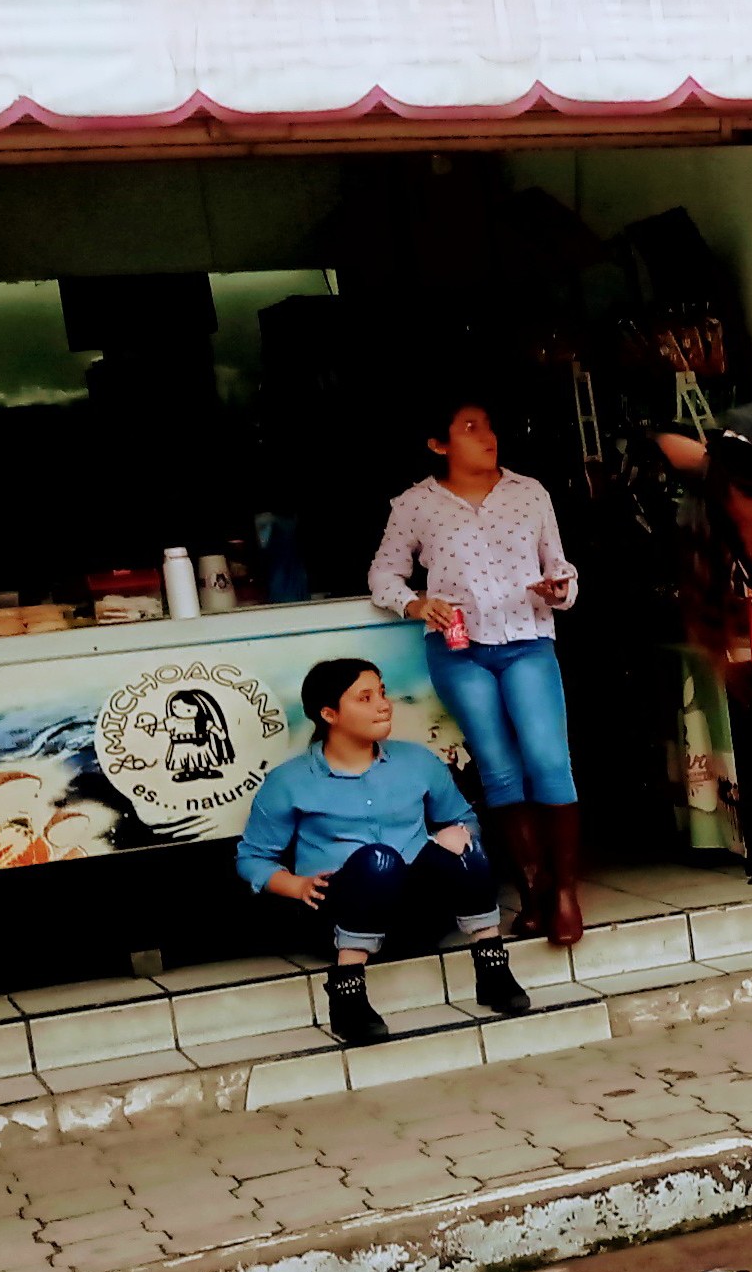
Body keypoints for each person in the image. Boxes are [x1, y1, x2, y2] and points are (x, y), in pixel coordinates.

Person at [369, 392, 588, 946]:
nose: (487, 437)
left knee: (547, 760)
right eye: (470, 428)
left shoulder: (528, 492)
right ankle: (534, 893)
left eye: (489, 426)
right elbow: (384, 576)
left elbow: (560, 568)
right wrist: (416, 604)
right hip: (459, 650)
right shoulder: (415, 505)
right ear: (439, 444)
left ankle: (565, 894)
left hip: (527, 641)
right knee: (498, 770)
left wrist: (559, 589)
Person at [239, 658, 531, 1047]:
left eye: (382, 692)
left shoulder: (418, 762)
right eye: (365, 697)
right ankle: (348, 995)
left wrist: (455, 834)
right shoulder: (289, 781)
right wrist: (295, 885)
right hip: (338, 917)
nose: (383, 704)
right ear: (330, 714)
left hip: (417, 912)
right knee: (378, 860)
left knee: (461, 843)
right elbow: (252, 857)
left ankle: (493, 971)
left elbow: (462, 817)